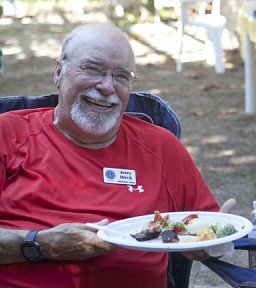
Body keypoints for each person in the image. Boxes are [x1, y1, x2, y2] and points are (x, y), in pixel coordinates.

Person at [0, 22, 232, 287]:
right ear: (59, 72)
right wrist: (38, 244)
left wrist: (212, 242)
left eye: (122, 76)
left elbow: (205, 233)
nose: (107, 86)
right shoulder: (8, 135)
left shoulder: (161, 148)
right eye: (92, 69)